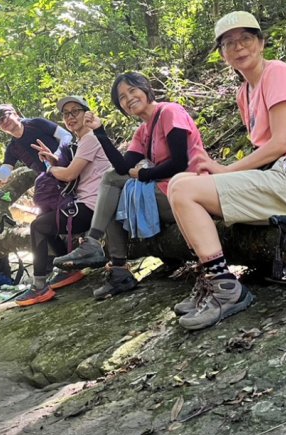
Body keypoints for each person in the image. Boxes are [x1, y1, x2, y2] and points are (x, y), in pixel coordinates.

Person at [168, 10, 286, 331]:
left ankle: (225, 288)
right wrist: (220, 174)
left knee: (184, 189)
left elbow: (282, 143)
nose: (239, 47)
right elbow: (265, 153)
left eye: (246, 38)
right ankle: (213, 278)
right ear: (222, 54)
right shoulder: (244, 93)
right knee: (182, 182)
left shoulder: (278, 73)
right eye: (229, 43)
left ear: (260, 42)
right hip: (279, 178)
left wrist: (224, 170)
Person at [53, 72, 208, 300]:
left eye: (132, 91)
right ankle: (118, 272)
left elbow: (180, 163)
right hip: (165, 191)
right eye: (122, 98)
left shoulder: (169, 112)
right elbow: (123, 167)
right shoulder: (142, 131)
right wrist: (100, 131)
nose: (128, 99)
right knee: (112, 185)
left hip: (191, 189)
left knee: (112, 185)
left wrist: (145, 174)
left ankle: (95, 245)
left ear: (145, 88)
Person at [13, 96, 113, 306]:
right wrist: (53, 160)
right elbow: (76, 169)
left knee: (39, 226)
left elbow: (69, 174)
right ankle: (70, 268)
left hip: (94, 206)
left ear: (87, 114)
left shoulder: (91, 139)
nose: (70, 117)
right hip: (88, 202)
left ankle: (39, 286)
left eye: (75, 111)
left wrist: (51, 169)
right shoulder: (83, 141)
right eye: (66, 114)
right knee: (43, 222)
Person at [0, 104, 72, 180]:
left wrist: (56, 155)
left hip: (70, 166)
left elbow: (66, 136)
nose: (4, 122)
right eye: (0, 121)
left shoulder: (36, 123)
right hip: (53, 181)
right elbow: (4, 176)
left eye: (5, 116)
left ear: (15, 114)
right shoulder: (13, 148)